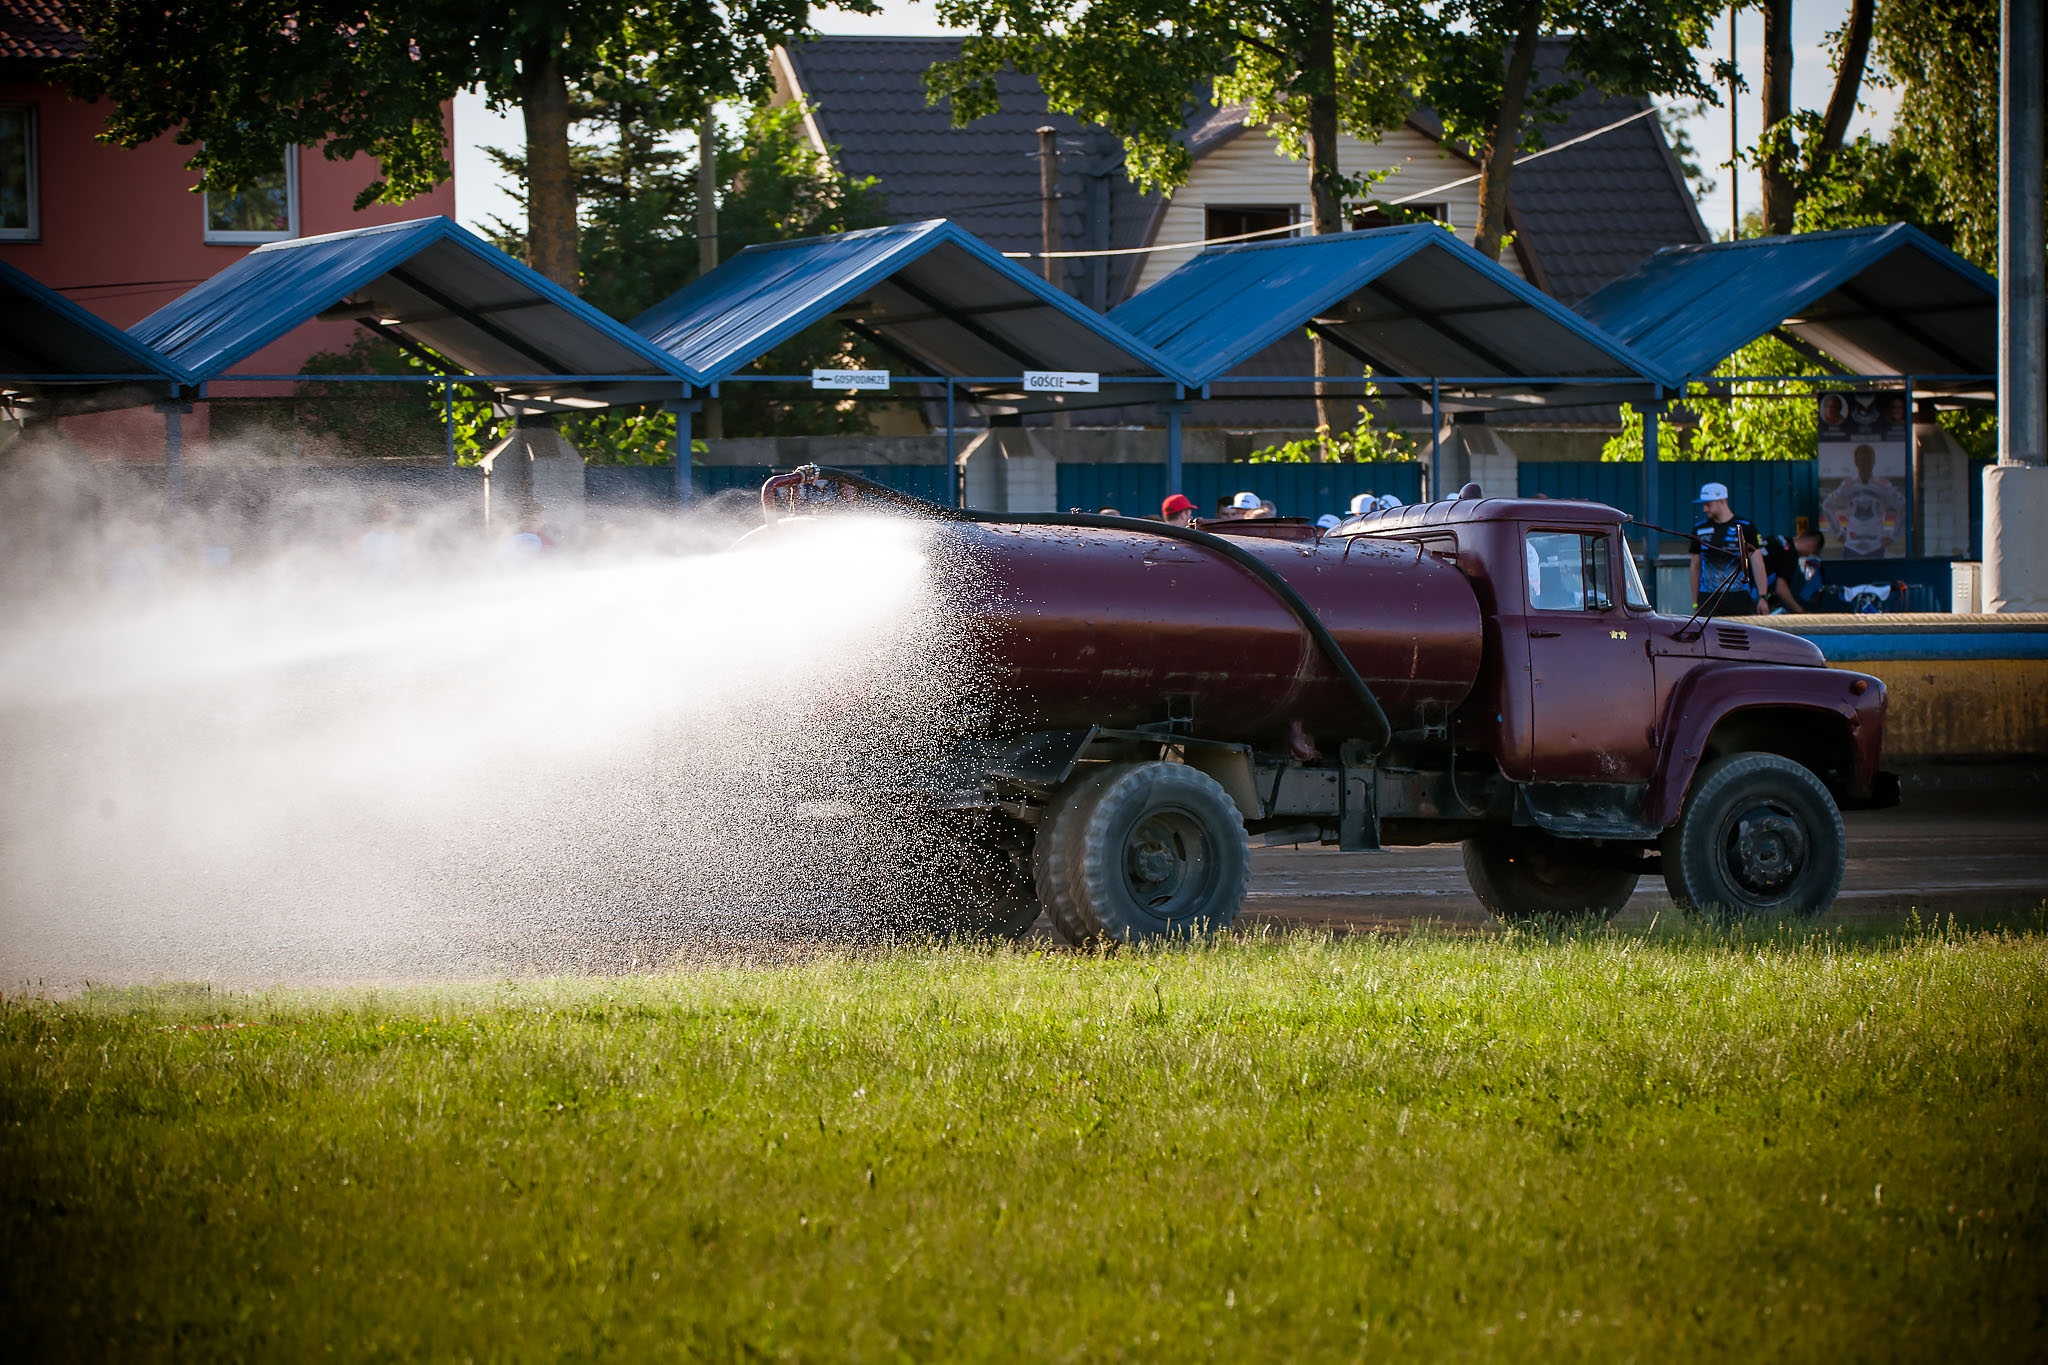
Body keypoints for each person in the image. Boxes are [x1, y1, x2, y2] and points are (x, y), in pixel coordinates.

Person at [1690, 481, 1768, 616]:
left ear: (1722, 501)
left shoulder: (1745, 527)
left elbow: (1757, 563)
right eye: (1703, 505)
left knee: (1742, 635)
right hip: (1708, 598)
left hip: (1739, 597)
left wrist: (1763, 597)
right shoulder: (1699, 529)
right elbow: (1695, 567)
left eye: (1708, 504)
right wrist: (1695, 602)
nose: (1705, 509)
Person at [1822, 444, 1907, 558]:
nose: (1866, 464)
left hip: (1875, 547)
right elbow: (1827, 505)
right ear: (1856, 462)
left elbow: (1904, 507)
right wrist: (1838, 533)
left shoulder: (1884, 485)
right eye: (1862, 460)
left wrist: (1893, 536)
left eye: (1869, 459)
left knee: (1876, 576)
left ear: (1874, 461)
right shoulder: (1847, 485)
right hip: (1852, 547)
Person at [1763, 528, 1828, 613]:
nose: (1808, 555)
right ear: (1810, 545)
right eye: (1812, 552)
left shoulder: (1777, 539)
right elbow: (1781, 590)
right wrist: (1800, 611)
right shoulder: (1791, 554)